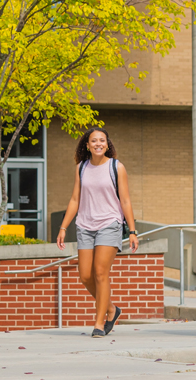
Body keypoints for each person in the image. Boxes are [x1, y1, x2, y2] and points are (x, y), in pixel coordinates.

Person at [57, 127, 140, 338]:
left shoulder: (116, 167)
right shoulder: (81, 168)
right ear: (87, 145)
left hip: (109, 223)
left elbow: (126, 200)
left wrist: (132, 230)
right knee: (85, 275)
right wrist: (63, 227)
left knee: (101, 273)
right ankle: (112, 309)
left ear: (107, 143)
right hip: (85, 225)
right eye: (94, 141)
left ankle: (99, 323)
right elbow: (75, 199)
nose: (98, 144)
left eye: (102, 140)